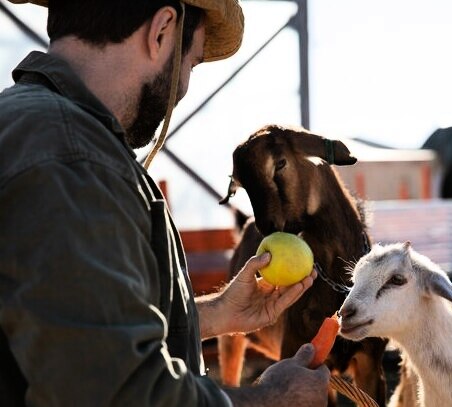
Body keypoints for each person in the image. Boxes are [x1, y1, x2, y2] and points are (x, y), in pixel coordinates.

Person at [0, 0, 330, 406]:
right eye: (190, 63)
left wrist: (216, 313)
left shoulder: (39, 131)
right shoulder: (71, 156)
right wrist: (276, 397)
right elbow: (120, 394)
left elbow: (67, 323)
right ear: (161, 30)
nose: (184, 88)